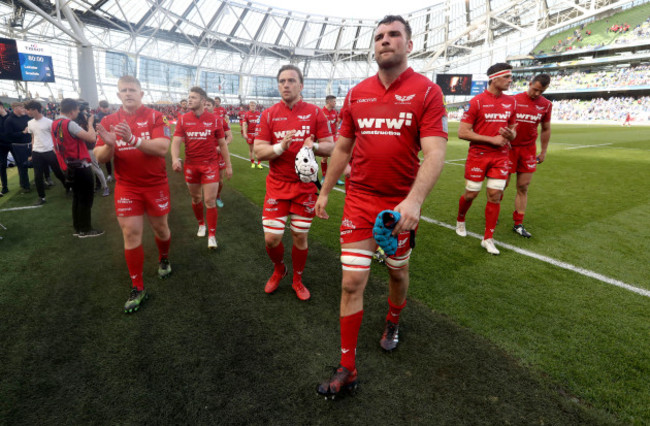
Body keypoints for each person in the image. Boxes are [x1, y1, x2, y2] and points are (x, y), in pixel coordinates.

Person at [314, 15, 448, 398]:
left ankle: (392, 321)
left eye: (394, 35)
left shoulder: (426, 92)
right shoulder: (356, 93)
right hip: (358, 201)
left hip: (398, 208)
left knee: (397, 274)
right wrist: (325, 191)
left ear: (408, 44)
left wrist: (415, 200)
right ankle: (348, 367)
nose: (385, 41)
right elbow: (342, 147)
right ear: (373, 47)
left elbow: (436, 151)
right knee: (351, 281)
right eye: (379, 37)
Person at [254, 64, 334, 301]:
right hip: (277, 186)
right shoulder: (268, 114)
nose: (285, 85)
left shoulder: (316, 113)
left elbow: (331, 146)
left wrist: (315, 146)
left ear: (301, 85)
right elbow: (259, 151)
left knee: (300, 236)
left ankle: (297, 279)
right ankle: (280, 269)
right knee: (272, 238)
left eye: (290, 80)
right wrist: (280, 147)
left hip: (305, 189)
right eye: (281, 81)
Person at [94, 75, 173, 314]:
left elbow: (162, 148)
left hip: (156, 184)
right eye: (123, 90)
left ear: (141, 93)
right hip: (127, 187)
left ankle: (164, 258)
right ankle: (138, 287)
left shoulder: (156, 117)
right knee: (131, 233)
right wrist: (109, 145)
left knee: (161, 229)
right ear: (118, 95)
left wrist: (131, 139)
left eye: (132, 89)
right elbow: (99, 157)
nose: (128, 93)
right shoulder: (109, 120)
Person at [454, 62, 517, 255]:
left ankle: (488, 238)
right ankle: (461, 219)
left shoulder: (511, 102)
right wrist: (493, 140)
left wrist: (510, 136)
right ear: (494, 78)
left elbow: (513, 131)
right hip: (478, 155)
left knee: (495, 195)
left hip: (501, 156)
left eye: (510, 76)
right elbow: (463, 132)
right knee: (471, 194)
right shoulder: (477, 102)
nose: (510, 80)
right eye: (506, 77)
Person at [171, 87, 232, 250]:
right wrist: (175, 158)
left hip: (210, 165)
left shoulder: (215, 120)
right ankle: (201, 224)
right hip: (191, 165)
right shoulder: (183, 119)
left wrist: (228, 165)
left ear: (203, 101)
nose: (189, 100)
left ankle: (212, 235)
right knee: (196, 198)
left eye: (193, 97)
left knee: (210, 201)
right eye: (189, 97)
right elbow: (176, 141)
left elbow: (223, 145)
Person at [508, 73, 552, 238]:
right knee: (501, 186)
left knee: (523, 187)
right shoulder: (513, 100)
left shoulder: (546, 105)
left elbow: (546, 128)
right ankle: (493, 213)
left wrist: (544, 151)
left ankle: (518, 223)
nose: (537, 94)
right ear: (530, 83)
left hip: (528, 150)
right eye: (535, 89)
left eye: (541, 91)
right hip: (509, 149)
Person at [51, 99, 104, 238]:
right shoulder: (69, 124)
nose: (78, 113)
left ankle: (78, 227)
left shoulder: (54, 123)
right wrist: (90, 124)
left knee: (77, 197)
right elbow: (92, 138)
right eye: (77, 111)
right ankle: (85, 229)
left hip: (68, 166)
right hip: (80, 166)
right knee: (86, 198)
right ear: (72, 111)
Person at [24, 100, 67, 205]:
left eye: (28, 110)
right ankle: (41, 197)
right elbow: (33, 137)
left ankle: (67, 186)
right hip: (36, 152)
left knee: (57, 172)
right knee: (38, 175)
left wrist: (55, 149)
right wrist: (32, 152)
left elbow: (56, 137)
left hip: (49, 151)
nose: (27, 112)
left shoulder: (49, 122)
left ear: (35, 110)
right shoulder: (30, 123)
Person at [76, 103, 109, 197]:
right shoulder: (80, 120)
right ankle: (97, 186)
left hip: (90, 147)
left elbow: (93, 135)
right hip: (83, 147)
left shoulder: (89, 119)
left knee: (95, 168)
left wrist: (88, 123)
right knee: (88, 169)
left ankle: (105, 187)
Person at [207, 97, 233, 208]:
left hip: (218, 155)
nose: (206, 107)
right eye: (204, 105)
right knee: (206, 178)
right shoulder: (197, 120)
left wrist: (222, 146)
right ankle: (209, 196)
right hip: (205, 156)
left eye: (208, 105)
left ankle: (217, 196)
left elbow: (230, 136)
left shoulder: (221, 120)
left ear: (213, 107)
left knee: (220, 180)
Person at [3, 102, 32, 192]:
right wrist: (22, 132)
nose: (24, 110)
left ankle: (39, 181)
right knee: (22, 166)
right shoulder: (9, 120)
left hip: (30, 143)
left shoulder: (26, 117)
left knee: (35, 163)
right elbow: (8, 135)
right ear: (16, 109)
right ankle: (25, 186)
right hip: (18, 146)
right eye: (22, 108)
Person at [321, 95, 345, 185]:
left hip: (333, 138)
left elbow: (336, 124)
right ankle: (324, 177)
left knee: (336, 157)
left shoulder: (335, 112)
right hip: (325, 138)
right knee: (325, 158)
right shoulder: (321, 112)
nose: (335, 103)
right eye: (334, 101)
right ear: (329, 102)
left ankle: (336, 178)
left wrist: (335, 135)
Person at [94, 100, 114, 182]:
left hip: (111, 136)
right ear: (100, 107)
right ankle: (106, 176)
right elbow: (95, 127)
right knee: (103, 156)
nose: (105, 109)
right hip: (102, 138)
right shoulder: (97, 116)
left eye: (106, 107)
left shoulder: (112, 115)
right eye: (103, 107)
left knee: (113, 155)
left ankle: (111, 174)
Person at [243, 101, 262, 169]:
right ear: (249, 106)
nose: (252, 106)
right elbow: (244, 124)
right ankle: (253, 163)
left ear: (256, 106)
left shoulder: (259, 114)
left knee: (258, 149)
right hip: (250, 134)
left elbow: (262, 124)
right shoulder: (247, 114)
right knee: (251, 149)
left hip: (257, 134)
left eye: (253, 105)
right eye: (251, 105)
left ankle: (259, 163)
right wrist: (245, 133)